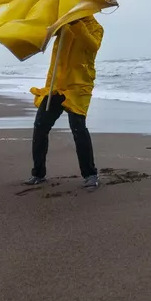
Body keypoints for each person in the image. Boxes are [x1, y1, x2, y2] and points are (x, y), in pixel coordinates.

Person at [26, 16, 104, 189]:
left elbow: (92, 46)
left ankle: (90, 174)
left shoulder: (95, 27)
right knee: (40, 127)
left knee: (78, 128)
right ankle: (38, 173)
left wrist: (76, 24)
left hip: (78, 87)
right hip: (56, 86)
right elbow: (43, 37)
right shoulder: (62, 25)